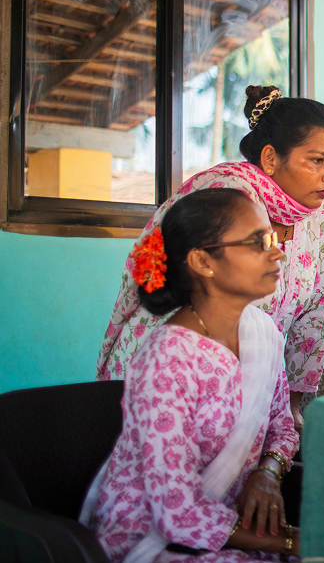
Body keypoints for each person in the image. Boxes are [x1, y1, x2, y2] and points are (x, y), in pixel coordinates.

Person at [98, 85, 324, 431]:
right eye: (317, 160)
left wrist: (290, 407)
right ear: (271, 158)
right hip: (181, 376)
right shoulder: (228, 195)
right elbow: (211, 305)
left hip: (251, 385)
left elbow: (320, 300)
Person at [80, 189, 301, 562]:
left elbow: (282, 426)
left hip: (233, 529)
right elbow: (176, 512)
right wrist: (294, 541)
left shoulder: (262, 334)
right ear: (202, 261)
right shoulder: (167, 360)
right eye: (259, 241)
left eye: (275, 237)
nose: (277, 250)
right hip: (152, 540)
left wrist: (269, 471)